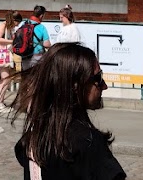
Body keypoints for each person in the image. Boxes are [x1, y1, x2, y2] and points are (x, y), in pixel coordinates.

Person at [14, 43, 124, 180]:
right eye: (98, 78)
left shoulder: (33, 139)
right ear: (75, 86)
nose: (104, 86)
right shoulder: (87, 143)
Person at [0, 10, 22, 111]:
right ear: (14, 20)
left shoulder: (8, 27)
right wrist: (12, 41)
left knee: (6, 79)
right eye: (17, 22)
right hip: (2, 55)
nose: (17, 24)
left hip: (5, 55)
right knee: (5, 79)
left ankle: (0, 102)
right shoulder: (3, 25)